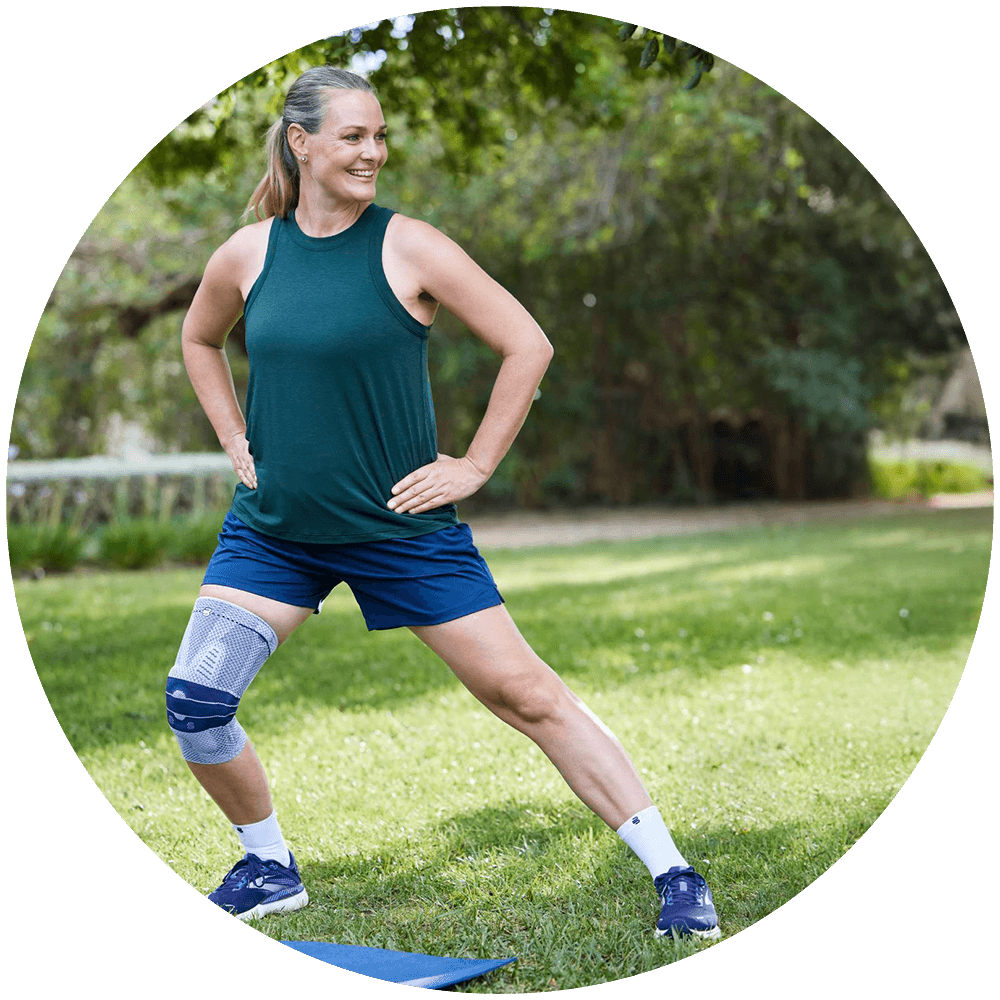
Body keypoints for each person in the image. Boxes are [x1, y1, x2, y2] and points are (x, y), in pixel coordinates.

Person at [169, 64, 720, 941]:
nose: (373, 152)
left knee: (527, 697)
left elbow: (526, 344)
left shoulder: (410, 246)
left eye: (380, 136)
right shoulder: (247, 255)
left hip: (401, 532)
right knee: (197, 702)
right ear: (301, 143)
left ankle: (675, 872)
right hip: (275, 536)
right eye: (354, 136)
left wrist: (474, 464)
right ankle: (267, 864)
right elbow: (199, 339)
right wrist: (234, 437)